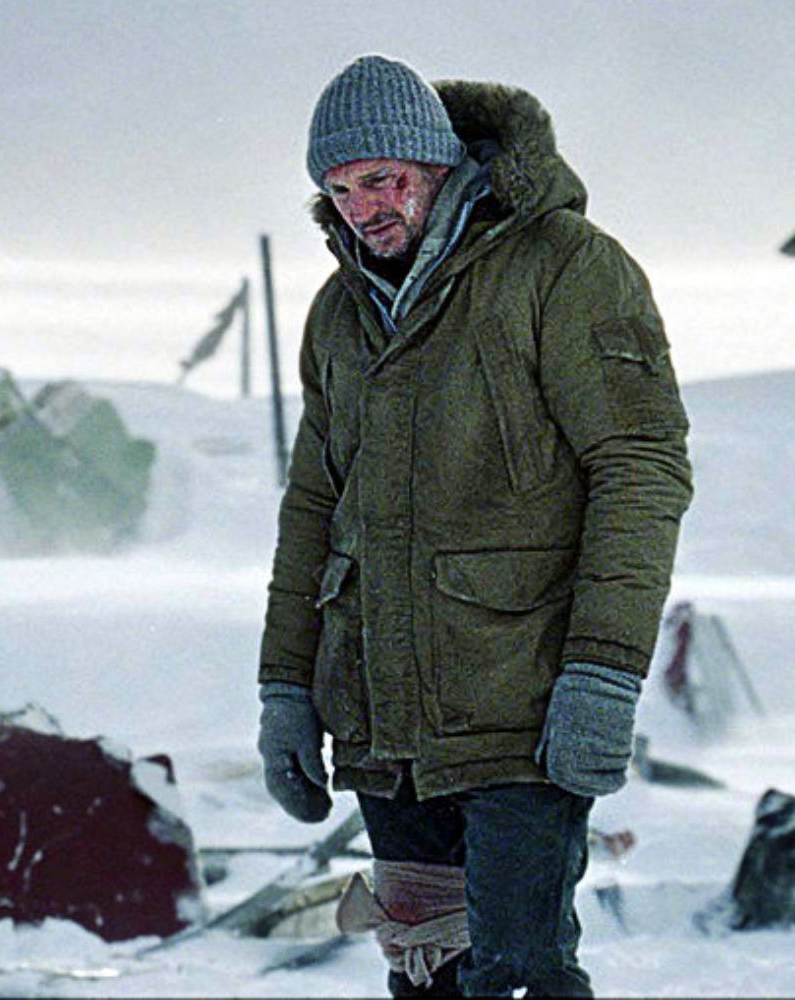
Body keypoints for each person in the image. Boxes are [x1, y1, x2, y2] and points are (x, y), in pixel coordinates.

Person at [255, 54, 692, 997]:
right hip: (382, 722)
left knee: (518, 973)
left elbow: (640, 470)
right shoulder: (339, 314)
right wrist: (285, 688)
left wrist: (604, 673)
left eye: (383, 181)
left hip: (521, 707)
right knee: (427, 971)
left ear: (441, 164)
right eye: (338, 189)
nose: (362, 208)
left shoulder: (568, 269)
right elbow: (313, 510)